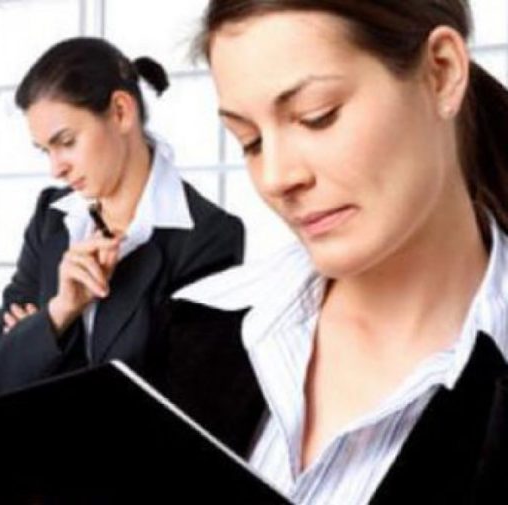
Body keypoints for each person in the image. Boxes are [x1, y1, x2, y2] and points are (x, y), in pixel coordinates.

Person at [147, 1, 508, 502]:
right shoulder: (193, 328)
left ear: (441, 73)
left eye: (316, 117)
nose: (276, 178)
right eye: (249, 142)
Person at [0, 37, 245, 398]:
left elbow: (183, 408)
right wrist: (60, 311)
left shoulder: (209, 236)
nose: (56, 169)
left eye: (67, 142)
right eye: (45, 151)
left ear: (120, 112)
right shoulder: (52, 217)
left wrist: (37, 340)